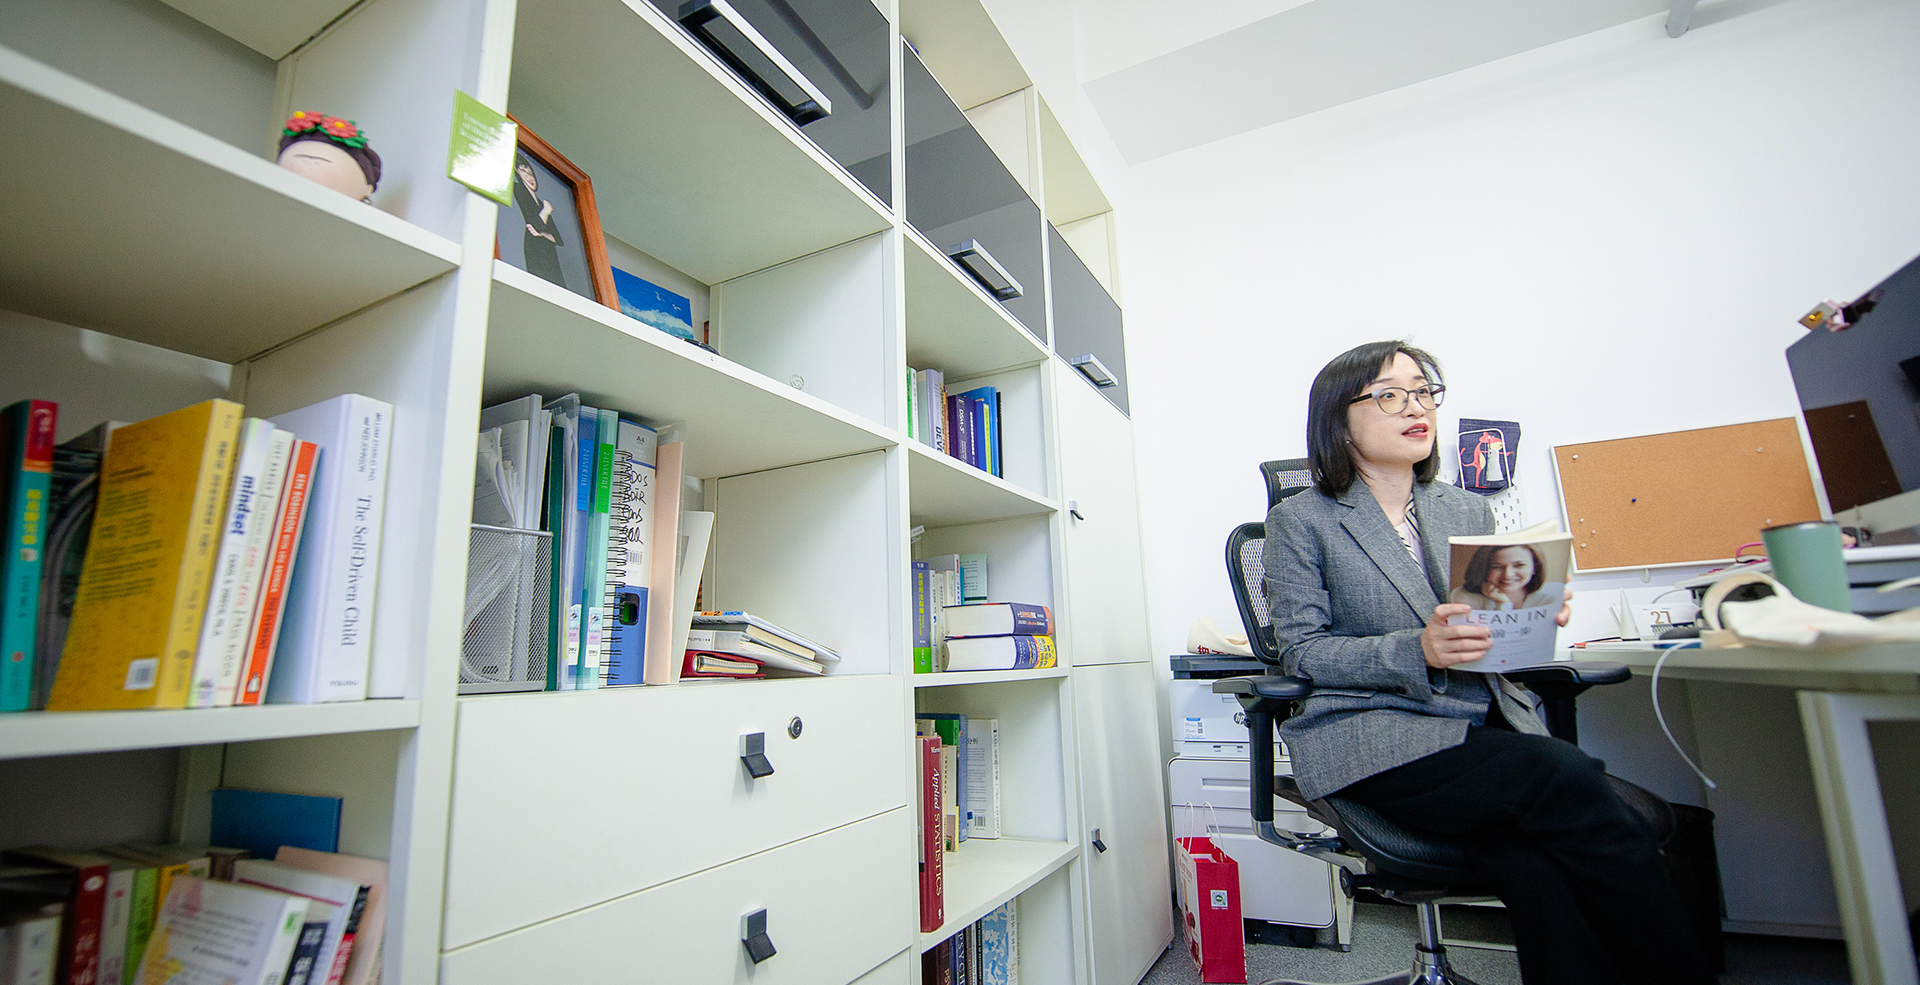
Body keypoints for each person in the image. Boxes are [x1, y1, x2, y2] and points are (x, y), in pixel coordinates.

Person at [1264, 340, 1711, 985]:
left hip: (1480, 721)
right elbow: (1303, 651)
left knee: (1533, 860)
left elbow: (1485, 628)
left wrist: (1529, 616)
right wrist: (1416, 649)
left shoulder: (1466, 508)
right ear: (1339, 419)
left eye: (1424, 392)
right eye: (1390, 395)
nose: (1415, 407)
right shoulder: (1302, 520)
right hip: (1374, 734)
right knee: (1565, 775)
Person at [512, 154, 568, 289]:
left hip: (550, 257)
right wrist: (545, 212)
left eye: (531, 173)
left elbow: (558, 239)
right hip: (535, 254)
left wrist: (542, 234)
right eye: (523, 172)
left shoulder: (541, 203)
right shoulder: (517, 190)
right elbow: (534, 227)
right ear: (516, 172)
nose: (530, 177)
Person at [1449, 543, 1560, 610]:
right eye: (1497, 567)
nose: (1508, 574)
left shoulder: (1551, 595)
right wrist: (1502, 604)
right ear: (1484, 569)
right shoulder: (1464, 596)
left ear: (1535, 567)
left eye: (1519, 565)